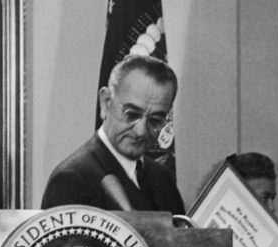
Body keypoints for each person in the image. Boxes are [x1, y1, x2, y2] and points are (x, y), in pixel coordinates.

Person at [41, 55, 184, 214]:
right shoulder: (71, 181)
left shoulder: (163, 178)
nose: (141, 131)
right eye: (131, 114)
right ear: (106, 102)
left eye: (155, 120)